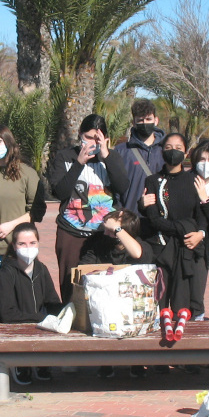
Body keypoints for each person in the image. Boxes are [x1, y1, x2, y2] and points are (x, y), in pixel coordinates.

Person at [140, 134, 209, 335]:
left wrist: (200, 234)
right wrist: (184, 228)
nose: (173, 151)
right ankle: (157, 361)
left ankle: (186, 358)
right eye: (169, 146)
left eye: (178, 147)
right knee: (159, 302)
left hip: (188, 249)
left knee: (186, 304)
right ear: (162, 151)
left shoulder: (194, 180)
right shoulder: (153, 181)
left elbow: (201, 215)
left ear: (186, 152)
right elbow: (154, 219)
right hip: (160, 249)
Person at [46, 114, 129, 302]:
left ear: (105, 139)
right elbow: (60, 191)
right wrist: (79, 163)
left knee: (102, 286)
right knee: (70, 285)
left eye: (97, 138)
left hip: (102, 233)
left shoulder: (112, 158)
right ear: (80, 135)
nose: (92, 142)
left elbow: (122, 187)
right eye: (88, 137)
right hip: (71, 231)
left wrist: (106, 156)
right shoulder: (65, 157)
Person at [78, 211, 153, 379]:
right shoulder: (97, 243)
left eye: (110, 230)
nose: (105, 233)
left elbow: (138, 255)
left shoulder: (140, 245)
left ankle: (137, 361)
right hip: (105, 301)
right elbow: (85, 268)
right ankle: (106, 362)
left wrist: (118, 229)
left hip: (132, 303)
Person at [0, 223, 63, 384]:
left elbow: (51, 300)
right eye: (22, 244)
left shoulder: (41, 269)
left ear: (38, 243)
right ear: (14, 246)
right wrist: (41, 318)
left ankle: (41, 361)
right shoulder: (6, 271)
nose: (28, 248)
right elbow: (7, 313)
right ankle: (20, 363)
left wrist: (65, 312)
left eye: (32, 243)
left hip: (38, 325)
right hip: (13, 327)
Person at [0, 125, 40, 301]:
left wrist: (12, 225)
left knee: (21, 296)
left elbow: (35, 210)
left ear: (8, 142)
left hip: (19, 248)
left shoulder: (27, 173)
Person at [113, 98, 165, 214]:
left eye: (148, 119)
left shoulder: (165, 150)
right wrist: (119, 212)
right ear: (134, 123)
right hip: (130, 218)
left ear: (156, 120)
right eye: (140, 120)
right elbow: (114, 187)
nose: (145, 123)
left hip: (161, 219)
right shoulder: (121, 151)